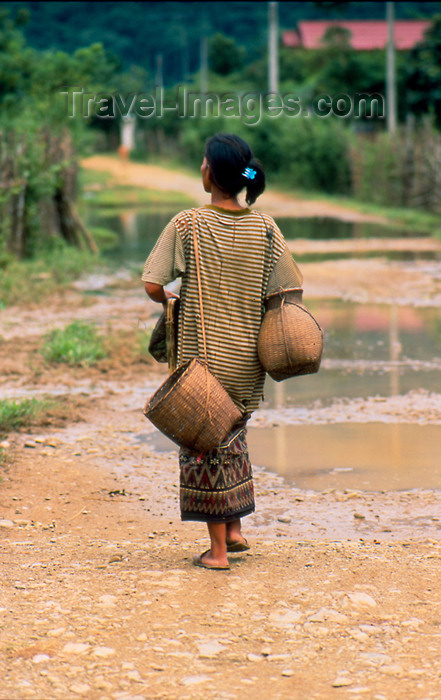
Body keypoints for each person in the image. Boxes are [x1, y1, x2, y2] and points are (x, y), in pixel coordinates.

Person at [142, 133, 302, 570]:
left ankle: (216, 554)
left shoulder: (187, 224)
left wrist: (172, 302)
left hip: (204, 359)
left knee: (204, 445)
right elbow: (288, 288)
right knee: (233, 436)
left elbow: (153, 283)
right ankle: (233, 531)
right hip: (248, 361)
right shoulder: (265, 227)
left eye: (202, 162)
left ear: (209, 173)